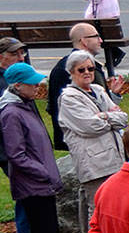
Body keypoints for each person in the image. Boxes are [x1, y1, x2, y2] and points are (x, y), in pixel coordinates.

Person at [0, 63, 70, 233]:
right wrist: (44, 173)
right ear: (17, 86)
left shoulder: (25, 106)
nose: (37, 86)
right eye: (32, 83)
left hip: (42, 183)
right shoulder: (11, 113)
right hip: (33, 186)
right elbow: (16, 155)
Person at [58, 49, 127, 233]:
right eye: (81, 70)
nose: (87, 72)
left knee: (116, 210)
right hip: (94, 165)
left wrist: (105, 116)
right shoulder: (69, 98)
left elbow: (123, 117)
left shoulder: (98, 89)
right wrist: (111, 117)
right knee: (97, 210)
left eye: (91, 68)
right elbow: (90, 126)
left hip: (115, 160)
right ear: (72, 72)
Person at [47, 21, 124, 150]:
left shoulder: (81, 66)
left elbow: (98, 103)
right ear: (84, 41)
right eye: (96, 36)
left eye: (90, 69)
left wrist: (112, 95)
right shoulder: (71, 69)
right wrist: (110, 119)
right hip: (84, 143)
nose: (100, 40)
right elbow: (87, 117)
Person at [0, 38, 32, 233]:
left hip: (15, 151)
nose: (21, 57)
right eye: (15, 54)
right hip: (11, 153)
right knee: (26, 201)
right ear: (2, 57)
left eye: (22, 53)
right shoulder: (5, 84)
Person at [83, 0, 123, 68]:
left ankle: (116, 54)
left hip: (102, 14)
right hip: (111, 12)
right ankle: (116, 53)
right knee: (105, 35)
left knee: (96, 35)